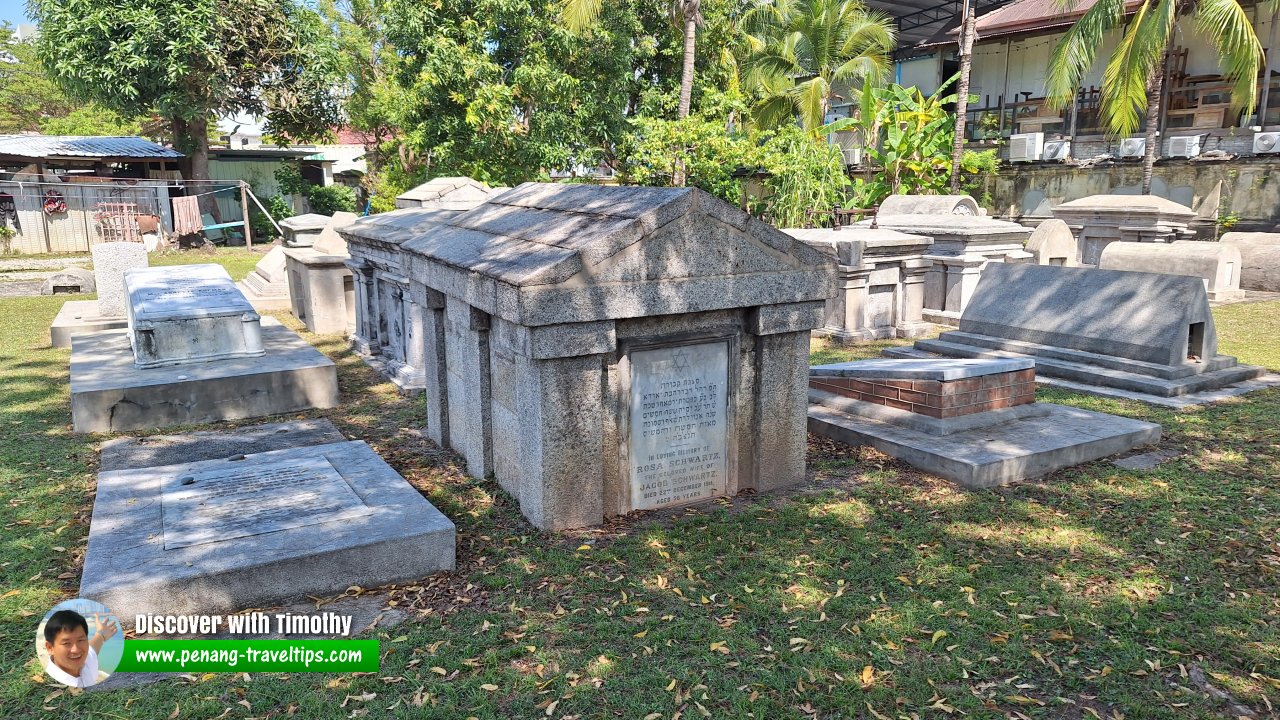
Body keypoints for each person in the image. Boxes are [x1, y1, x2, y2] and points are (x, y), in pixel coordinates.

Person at [43, 609, 118, 688]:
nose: (76, 650)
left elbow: (93, 646)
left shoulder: (87, 659)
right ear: (50, 648)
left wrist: (101, 634)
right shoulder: (54, 683)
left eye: (80, 640)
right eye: (66, 643)